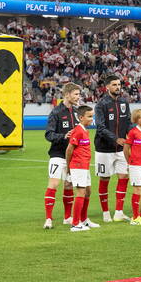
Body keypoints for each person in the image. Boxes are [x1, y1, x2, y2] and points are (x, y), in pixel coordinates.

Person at [94, 74, 132, 223]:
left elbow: (128, 122)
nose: (118, 87)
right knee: (105, 178)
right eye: (114, 85)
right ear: (107, 87)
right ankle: (105, 213)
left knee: (124, 177)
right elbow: (100, 127)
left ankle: (119, 212)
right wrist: (116, 138)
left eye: (119, 85)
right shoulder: (101, 104)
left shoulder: (124, 102)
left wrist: (135, 133)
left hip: (121, 149)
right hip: (104, 149)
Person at [43, 82, 80, 229]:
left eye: (79, 94)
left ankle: (67, 217)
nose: (78, 97)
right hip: (58, 154)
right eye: (76, 94)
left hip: (73, 155)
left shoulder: (77, 112)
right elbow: (48, 134)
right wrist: (64, 136)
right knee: (54, 184)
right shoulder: (56, 112)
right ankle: (48, 219)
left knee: (69, 185)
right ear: (67, 95)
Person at [66, 105, 98, 232]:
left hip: (84, 166)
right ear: (81, 117)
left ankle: (84, 220)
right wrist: (69, 167)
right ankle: (75, 224)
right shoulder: (78, 131)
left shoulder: (85, 130)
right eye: (89, 116)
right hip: (78, 166)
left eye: (92, 116)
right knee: (81, 192)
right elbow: (69, 149)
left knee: (88, 192)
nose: (92, 119)